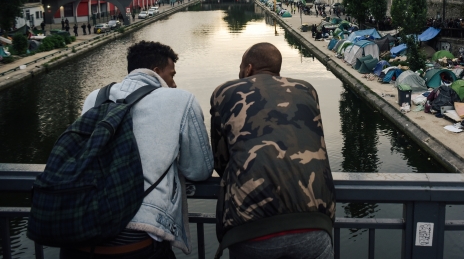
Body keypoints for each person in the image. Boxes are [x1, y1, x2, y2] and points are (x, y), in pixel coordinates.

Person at [60, 41, 214, 259]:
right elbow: (198, 170)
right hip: (137, 241)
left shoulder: (96, 97)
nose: (174, 83)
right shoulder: (181, 99)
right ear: (157, 72)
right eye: (172, 75)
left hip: (79, 232)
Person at [210, 43, 336, 259]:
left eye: (241, 68)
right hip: (315, 225)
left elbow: (220, 161)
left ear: (248, 68)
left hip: (253, 231)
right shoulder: (307, 89)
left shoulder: (225, 92)